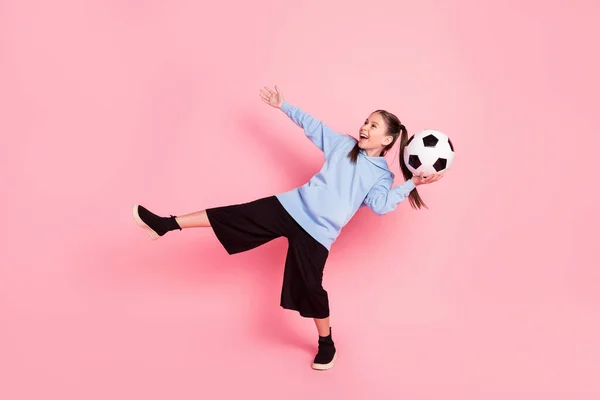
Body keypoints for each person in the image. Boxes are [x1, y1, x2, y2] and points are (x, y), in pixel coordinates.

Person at [132, 86, 444, 371]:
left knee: (311, 288)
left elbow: (380, 205)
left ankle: (327, 344)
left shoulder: (382, 178)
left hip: (318, 234)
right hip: (290, 207)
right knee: (236, 215)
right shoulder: (343, 145)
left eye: (373, 126)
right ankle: (165, 224)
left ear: (387, 140)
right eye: (366, 121)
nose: (364, 126)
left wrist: (410, 185)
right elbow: (314, 125)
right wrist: (284, 106)